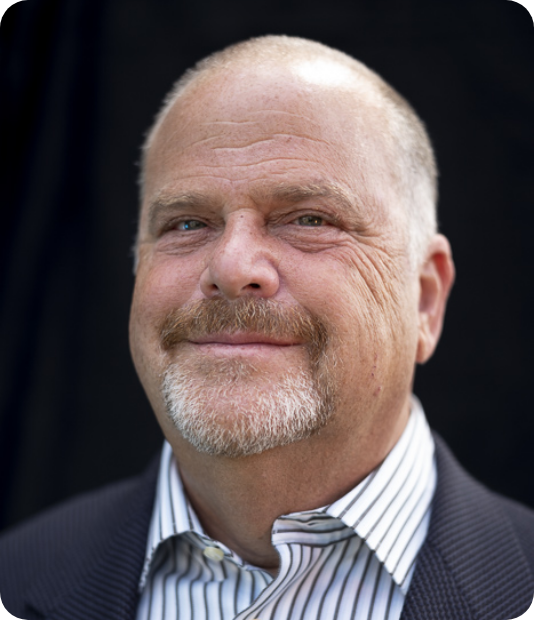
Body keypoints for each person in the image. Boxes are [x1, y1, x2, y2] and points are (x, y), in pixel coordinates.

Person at [1, 35, 533, 620]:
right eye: (186, 223)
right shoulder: (17, 574)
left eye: (308, 218)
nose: (231, 268)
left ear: (425, 301)